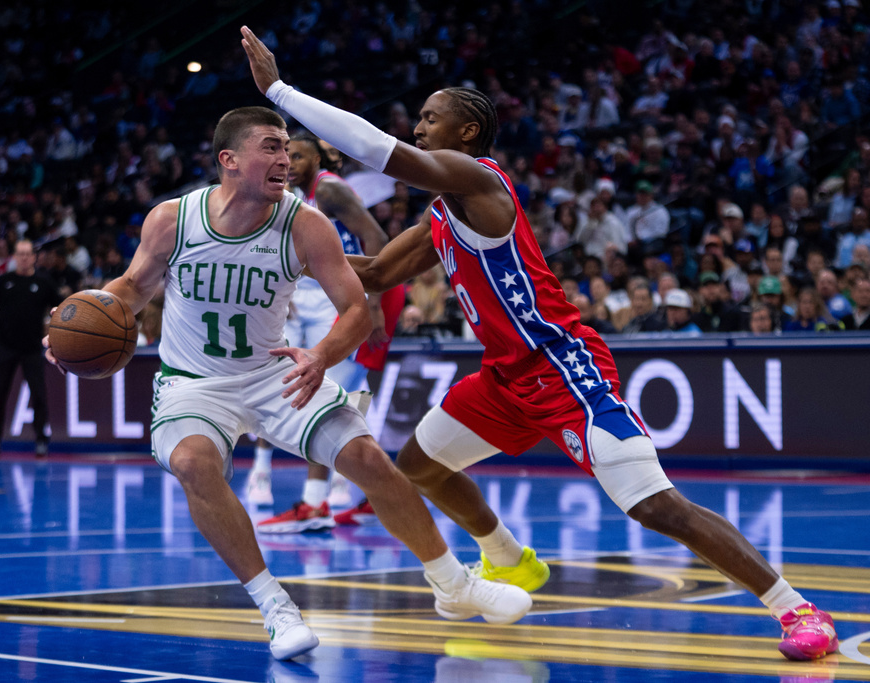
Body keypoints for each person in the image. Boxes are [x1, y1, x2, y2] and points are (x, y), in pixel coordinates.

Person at [242, 25, 838, 662]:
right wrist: (278, 252)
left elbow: (380, 151)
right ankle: (508, 558)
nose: (417, 129)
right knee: (417, 467)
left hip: (562, 366)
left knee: (658, 507)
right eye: (416, 120)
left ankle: (797, 610)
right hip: (504, 377)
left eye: (429, 118)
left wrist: (279, 90)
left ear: (467, 133)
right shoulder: (443, 212)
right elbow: (380, 272)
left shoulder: (480, 184)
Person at [46, 105, 530, 661]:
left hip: (276, 371)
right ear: (230, 161)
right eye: (271, 148)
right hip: (194, 381)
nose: (285, 159)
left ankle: (452, 583)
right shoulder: (172, 219)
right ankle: (275, 606)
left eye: (286, 147)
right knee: (193, 462)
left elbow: (356, 309)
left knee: (370, 460)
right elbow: (132, 288)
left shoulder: (305, 223)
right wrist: (71, 328)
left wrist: (322, 355)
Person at [252, 131, 405, 529]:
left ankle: (315, 505)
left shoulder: (331, 190)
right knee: (346, 403)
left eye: (301, 155)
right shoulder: (299, 199)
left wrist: (372, 308)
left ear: (319, 160)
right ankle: (379, 498)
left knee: (327, 401)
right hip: (342, 296)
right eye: (288, 154)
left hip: (363, 295)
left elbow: (376, 238)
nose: (291, 162)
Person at [0, 240, 63, 457]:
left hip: (32, 348)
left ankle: (41, 440)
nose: (23, 257)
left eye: (27, 254)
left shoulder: (43, 283)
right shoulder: (3, 281)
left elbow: (61, 307)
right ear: (14, 257)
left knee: (39, 395)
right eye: (20, 253)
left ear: (33, 257)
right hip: (5, 347)